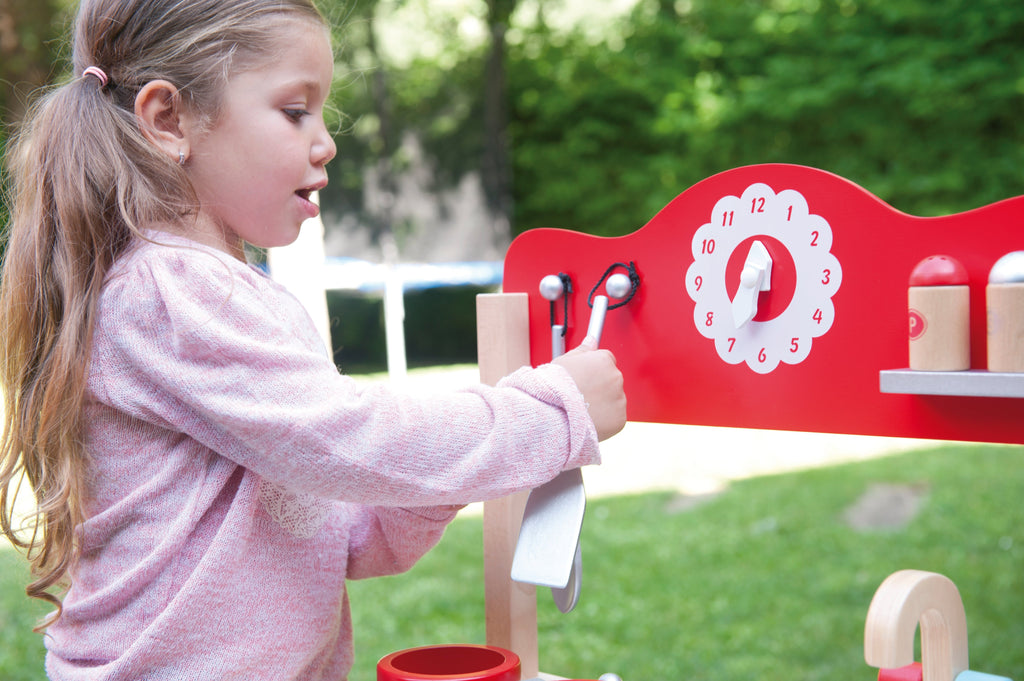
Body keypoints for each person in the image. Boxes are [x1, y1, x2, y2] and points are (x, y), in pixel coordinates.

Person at [0, 1, 627, 679]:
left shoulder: (212, 294)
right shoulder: (169, 291)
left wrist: (441, 476)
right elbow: (348, 438)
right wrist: (552, 415)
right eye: (296, 111)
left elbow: (344, 532)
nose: (325, 141)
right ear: (168, 120)